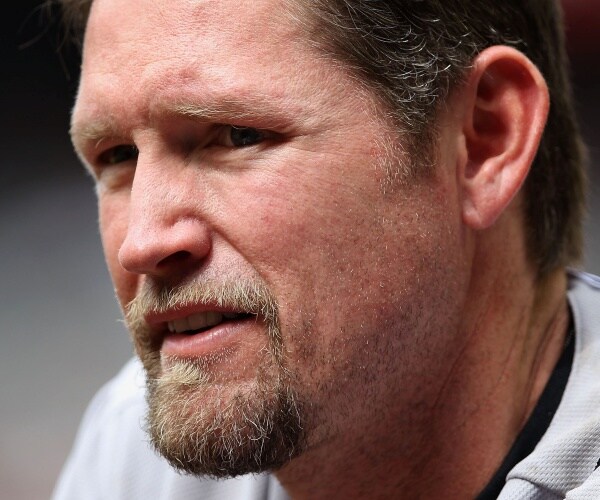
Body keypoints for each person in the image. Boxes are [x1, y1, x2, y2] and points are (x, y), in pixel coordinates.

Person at [52, 0, 600, 498]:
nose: (142, 243)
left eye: (238, 135)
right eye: (118, 155)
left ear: (485, 140)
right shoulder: (131, 460)